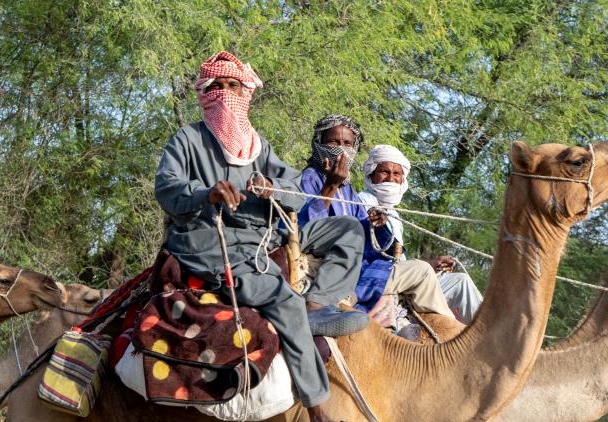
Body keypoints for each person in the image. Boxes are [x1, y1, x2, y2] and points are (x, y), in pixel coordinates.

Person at [154, 52, 367, 421]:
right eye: (216, 86)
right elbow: (167, 189)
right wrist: (207, 194)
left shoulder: (257, 145)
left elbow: (297, 191)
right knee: (282, 300)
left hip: (270, 232)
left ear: (245, 91)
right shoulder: (187, 139)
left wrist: (272, 186)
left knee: (348, 229)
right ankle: (317, 405)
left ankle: (314, 308)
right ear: (204, 92)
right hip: (214, 241)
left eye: (232, 86)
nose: (224, 94)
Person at [298, 114, 456, 323]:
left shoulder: (349, 190)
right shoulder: (309, 178)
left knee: (423, 269)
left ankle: (446, 335)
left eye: (347, 143)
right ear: (319, 143)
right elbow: (308, 230)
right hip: (329, 265)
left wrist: (374, 225)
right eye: (334, 142)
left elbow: (368, 241)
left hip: (360, 265)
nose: (341, 149)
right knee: (424, 271)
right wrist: (331, 186)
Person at [359, 144, 484, 323]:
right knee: (424, 272)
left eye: (396, 174)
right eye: (384, 172)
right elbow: (366, 229)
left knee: (461, 281)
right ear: (371, 174)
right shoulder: (362, 201)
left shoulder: (393, 213)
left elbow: (402, 264)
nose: (391, 179)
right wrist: (373, 219)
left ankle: (489, 333)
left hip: (403, 277)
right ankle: (455, 336)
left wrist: (433, 264)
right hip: (376, 276)